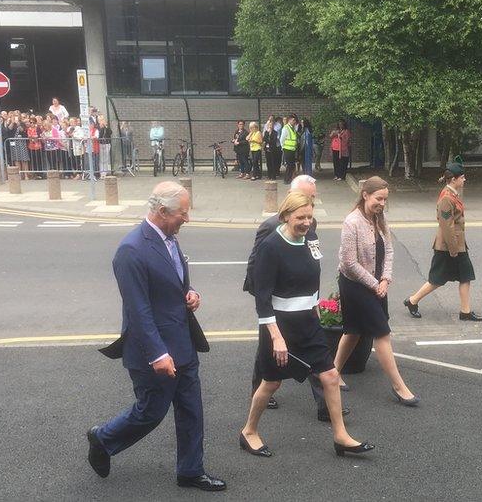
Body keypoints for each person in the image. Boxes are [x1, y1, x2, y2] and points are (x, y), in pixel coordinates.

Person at [87, 182, 226, 492]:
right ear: (162, 212)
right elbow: (139, 310)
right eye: (183, 214)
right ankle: (103, 438)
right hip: (155, 350)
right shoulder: (131, 250)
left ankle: (191, 471)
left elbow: (172, 285)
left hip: (183, 342)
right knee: (151, 412)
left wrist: (190, 293)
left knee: (192, 410)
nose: (187, 219)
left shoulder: (169, 239)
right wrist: (158, 354)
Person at [240, 191, 373, 458]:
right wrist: (276, 337)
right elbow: (262, 299)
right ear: (286, 216)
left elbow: (313, 275)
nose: (306, 222)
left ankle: (340, 436)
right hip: (279, 326)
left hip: (307, 323)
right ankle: (249, 431)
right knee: (271, 383)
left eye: (310, 217)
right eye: (300, 217)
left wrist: (315, 308)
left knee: (331, 376)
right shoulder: (270, 247)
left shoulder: (310, 238)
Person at [242, 175, 348, 420]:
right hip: (278, 310)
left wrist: (315, 303)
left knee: (326, 371)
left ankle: (326, 410)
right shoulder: (271, 230)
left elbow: (312, 264)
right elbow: (257, 263)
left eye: (312, 200)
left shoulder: (310, 226)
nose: (308, 218)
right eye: (305, 201)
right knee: (269, 366)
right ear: (289, 207)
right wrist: (260, 295)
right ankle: (258, 397)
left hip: (305, 311)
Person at [334, 176, 419, 406]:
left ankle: (332, 373)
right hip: (355, 285)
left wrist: (385, 278)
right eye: (378, 199)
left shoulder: (380, 219)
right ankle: (399, 387)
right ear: (365, 195)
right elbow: (349, 263)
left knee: (353, 331)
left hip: (377, 284)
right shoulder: (351, 222)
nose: (382, 204)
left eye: (385, 199)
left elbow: (389, 250)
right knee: (381, 332)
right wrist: (375, 284)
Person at [404, 162, 482, 322]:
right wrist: (454, 250)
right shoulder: (447, 198)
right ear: (453, 179)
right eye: (462, 177)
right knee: (437, 279)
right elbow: (447, 226)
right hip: (448, 246)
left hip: (456, 245)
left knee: (465, 276)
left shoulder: (452, 194)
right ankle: (412, 300)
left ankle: (465, 312)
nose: (464, 180)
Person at [281, 113, 300, 184]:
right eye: (293, 120)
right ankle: (286, 180)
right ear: (290, 120)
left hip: (292, 149)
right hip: (287, 149)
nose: (294, 122)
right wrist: (283, 148)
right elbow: (282, 139)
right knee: (290, 165)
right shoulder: (286, 128)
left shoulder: (293, 128)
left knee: (292, 165)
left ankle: (289, 179)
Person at [263, 115, 282, 181]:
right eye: (268, 125)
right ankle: (269, 175)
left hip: (273, 149)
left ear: (273, 126)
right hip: (267, 149)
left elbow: (274, 141)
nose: (269, 126)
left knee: (273, 162)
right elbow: (264, 139)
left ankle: (273, 176)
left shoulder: (275, 133)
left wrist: (268, 140)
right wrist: (268, 137)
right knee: (268, 163)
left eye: (271, 125)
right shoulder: (266, 132)